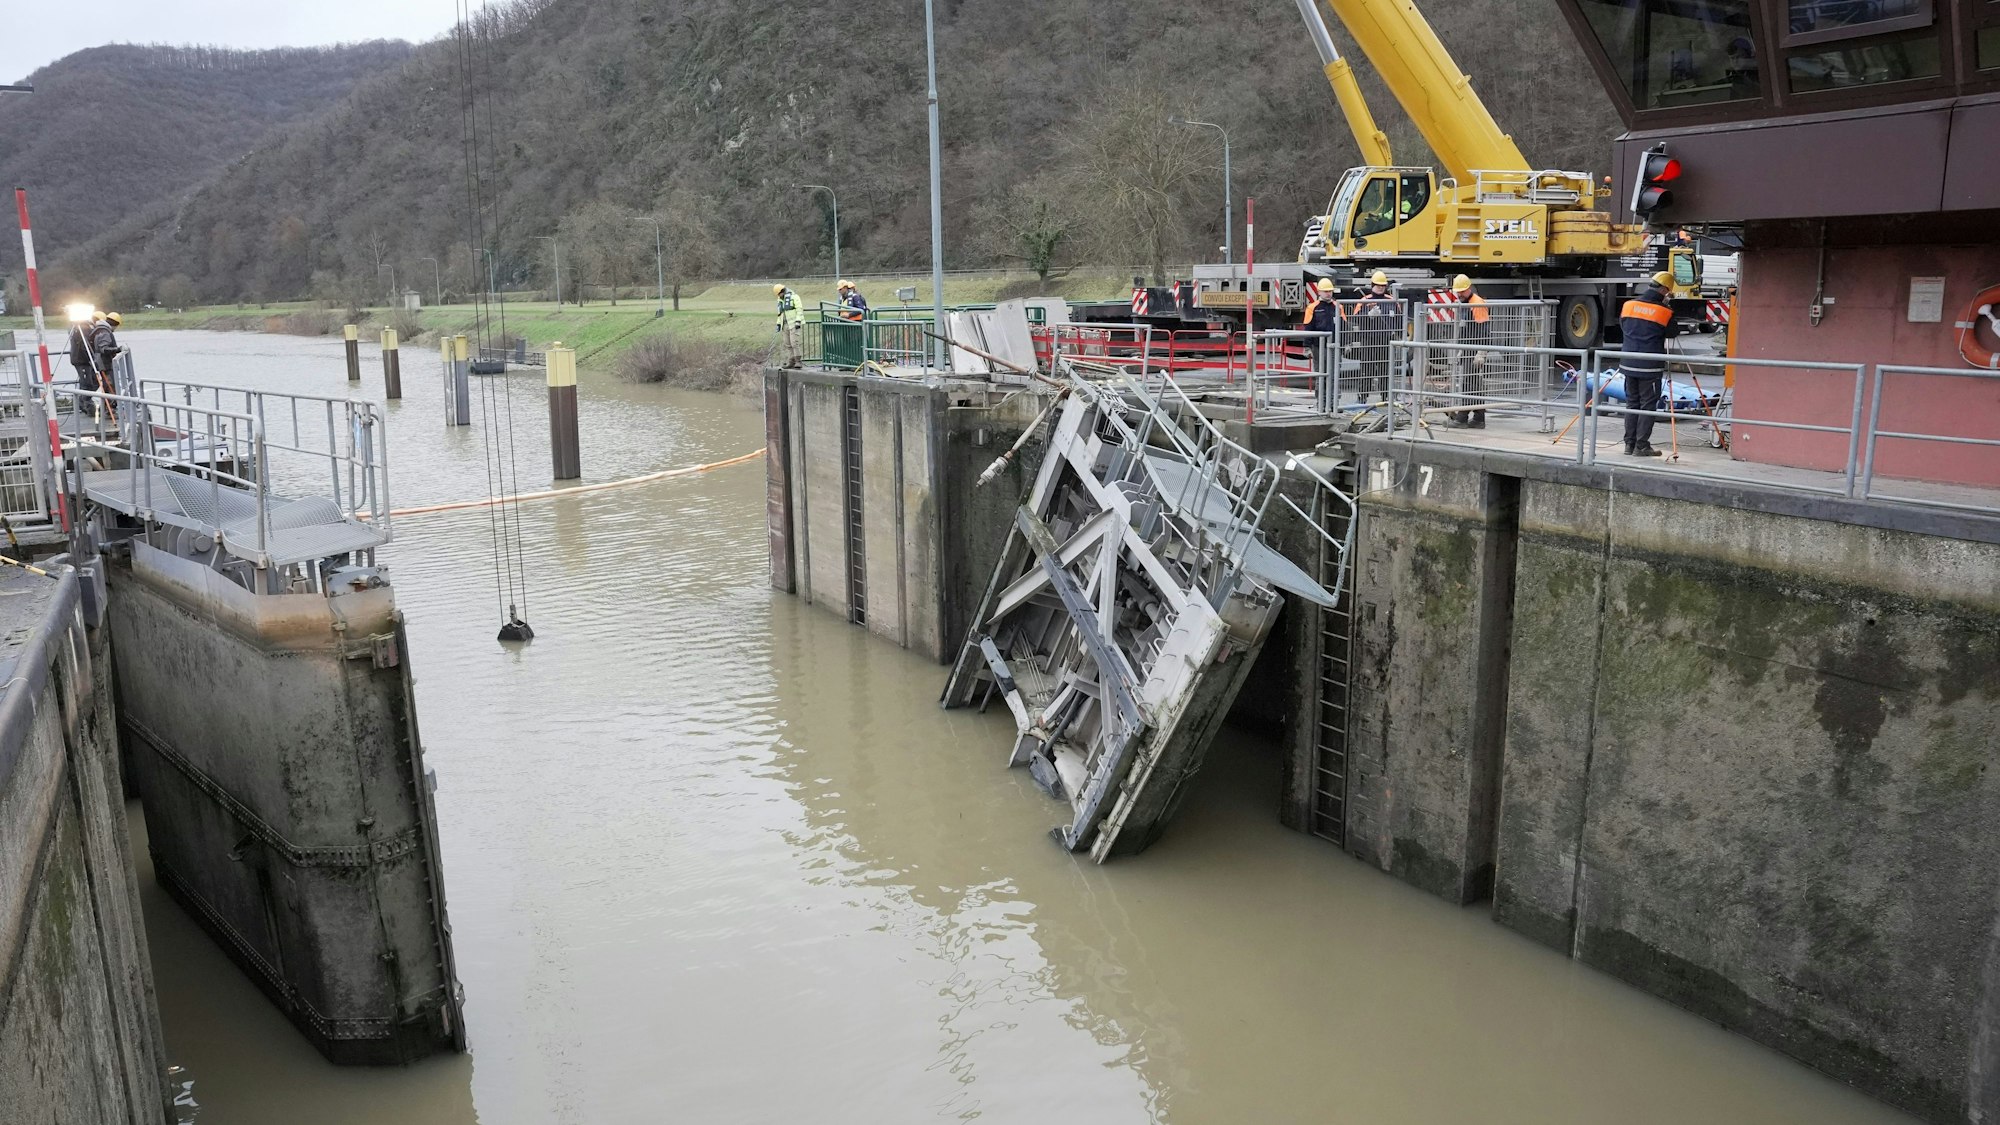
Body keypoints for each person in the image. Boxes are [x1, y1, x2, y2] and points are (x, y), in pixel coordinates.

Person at [1617, 272, 1679, 457]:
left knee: (1632, 404)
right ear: (1663, 290)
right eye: (1668, 292)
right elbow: (1672, 332)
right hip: (1649, 367)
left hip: (1628, 364)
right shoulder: (1664, 311)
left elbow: (1624, 326)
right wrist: (1666, 306)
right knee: (1648, 405)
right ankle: (1642, 446)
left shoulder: (1628, 305)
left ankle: (1629, 445)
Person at [1441, 275, 1489, 427]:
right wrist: (1461, 349)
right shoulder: (1465, 303)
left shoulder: (1476, 303)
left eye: (1462, 291)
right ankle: (1479, 418)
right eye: (1458, 292)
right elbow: (1465, 328)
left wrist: (1482, 352)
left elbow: (1484, 330)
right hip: (1468, 348)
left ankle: (1462, 418)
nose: (1459, 294)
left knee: (1469, 383)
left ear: (1469, 289)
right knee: (1474, 383)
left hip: (1474, 350)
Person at [1347, 271, 1399, 400]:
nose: (1380, 287)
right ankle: (1363, 397)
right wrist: (1368, 315)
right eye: (1377, 285)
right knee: (1367, 370)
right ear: (1372, 285)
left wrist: (1400, 334)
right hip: (1368, 340)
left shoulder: (1391, 301)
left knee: (1385, 370)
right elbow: (1355, 319)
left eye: (1383, 285)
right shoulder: (1365, 300)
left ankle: (1386, 397)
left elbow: (1399, 319)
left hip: (1386, 340)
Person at [774, 284, 803, 368]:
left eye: (779, 294)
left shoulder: (794, 297)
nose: (778, 296)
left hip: (794, 323)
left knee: (794, 343)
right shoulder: (780, 300)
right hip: (785, 324)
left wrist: (798, 321)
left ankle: (798, 361)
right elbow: (780, 314)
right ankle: (791, 361)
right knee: (787, 343)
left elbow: (799, 309)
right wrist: (778, 324)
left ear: (782, 291)